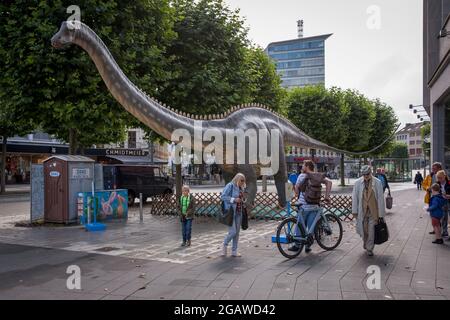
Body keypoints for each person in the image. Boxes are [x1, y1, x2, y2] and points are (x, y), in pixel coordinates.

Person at [289, 160, 332, 253]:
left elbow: (296, 191)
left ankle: (297, 245)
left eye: (303, 165)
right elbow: (329, 182)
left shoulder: (301, 176)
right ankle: (308, 245)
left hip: (303, 206)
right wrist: (327, 196)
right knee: (310, 227)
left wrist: (296, 190)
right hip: (314, 206)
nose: (301, 167)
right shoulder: (318, 176)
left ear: (307, 166)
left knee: (300, 225)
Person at [352, 165, 386, 257]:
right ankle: (366, 243)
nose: (366, 176)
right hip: (362, 211)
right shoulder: (358, 183)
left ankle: (369, 248)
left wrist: (381, 214)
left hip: (373, 212)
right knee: (364, 230)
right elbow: (355, 197)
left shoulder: (377, 182)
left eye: (367, 174)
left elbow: (380, 199)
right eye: (364, 174)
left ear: (370, 173)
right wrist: (354, 211)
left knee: (371, 231)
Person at [221, 173, 246, 257]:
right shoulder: (230, 185)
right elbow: (223, 196)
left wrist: (243, 200)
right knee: (233, 232)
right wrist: (234, 199)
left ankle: (234, 251)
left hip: (239, 212)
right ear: (237, 179)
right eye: (241, 180)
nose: (243, 182)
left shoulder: (241, 187)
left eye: (244, 181)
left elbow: (241, 199)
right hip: (231, 212)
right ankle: (224, 244)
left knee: (237, 233)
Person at [423, 162, 443, 234]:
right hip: (431, 197)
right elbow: (424, 184)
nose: (433, 170)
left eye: (434, 169)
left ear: (439, 168)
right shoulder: (430, 176)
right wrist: (427, 188)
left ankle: (443, 231)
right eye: (432, 168)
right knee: (433, 214)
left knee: (441, 215)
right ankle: (435, 229)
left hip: (440, 198)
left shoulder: (443, 176)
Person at [436, 170, 450, 240]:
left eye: (441, 178)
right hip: (443, 201)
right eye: (438, 178)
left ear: (444, 176)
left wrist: (449, 196)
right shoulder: (437, 184)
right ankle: (445, 232)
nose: (439, 179)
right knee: (444, 217)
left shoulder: (449, 182)